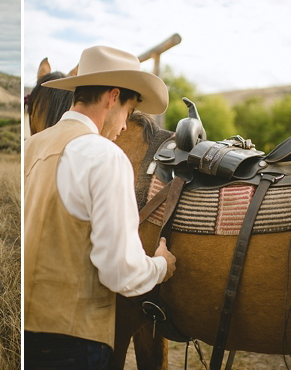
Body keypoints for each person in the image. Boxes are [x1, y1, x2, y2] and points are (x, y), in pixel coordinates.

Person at [24, 45, 177, 369]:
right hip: (75, 340)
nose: (125, 126)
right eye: (129, 110)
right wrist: (161, 266)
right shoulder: (106, 157)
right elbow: (120, 273)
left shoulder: (33, 146)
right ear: (112, 97)